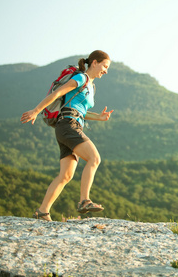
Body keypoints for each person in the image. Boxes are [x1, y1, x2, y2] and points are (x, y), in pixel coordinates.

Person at [20, 50, 113, 221]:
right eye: (105, 66)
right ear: (94, 62)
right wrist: (35, 111)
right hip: (68, 126)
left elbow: (80, 110)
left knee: (66, 175)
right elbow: (57, 94)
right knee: (95, 158)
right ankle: (84, 201)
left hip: (70, 125)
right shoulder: (81, 79)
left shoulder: (91, 86)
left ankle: (42, 211)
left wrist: (98, 117)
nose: (106, 70)